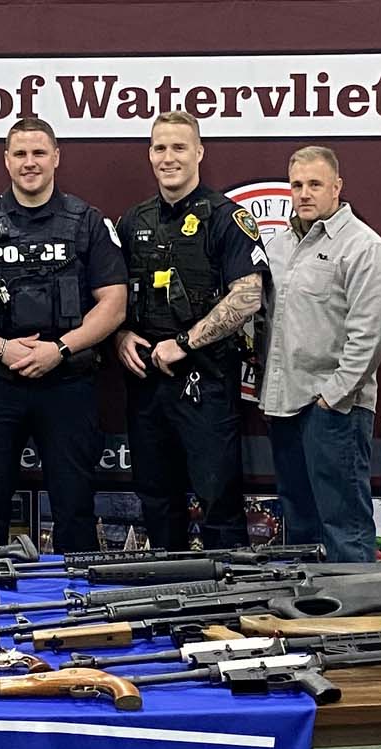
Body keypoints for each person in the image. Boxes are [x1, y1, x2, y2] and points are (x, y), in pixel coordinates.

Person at [0, 117, 128, 552]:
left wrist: (59, 349)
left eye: (39, 153)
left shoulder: (87, 222)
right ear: (6, 160)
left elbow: (114, 302)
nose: (30, 163)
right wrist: (1, 349)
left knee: (75, 507)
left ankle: (81, 610)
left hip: (68, 381)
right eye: (20, 154)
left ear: (56, 157)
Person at [114, 111, 268, 550]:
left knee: (218, 503)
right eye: (160, 148)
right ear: (149, 155)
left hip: (207, 383)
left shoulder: (226, 217)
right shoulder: (132, 221)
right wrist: (120, 335)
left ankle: (226, 608)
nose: (169, 157)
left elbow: (248, 296)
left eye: (179, 147)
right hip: (146, 385)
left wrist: (184, 343)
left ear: (199, 152)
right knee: (156, 500)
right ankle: (165, 600)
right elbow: (109, 297)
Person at [260, 145, 381, 563]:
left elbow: (372, 335)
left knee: (345, 526)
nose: (304, 193)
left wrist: (331, 398)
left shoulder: (366, 248)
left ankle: (360, 623)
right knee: (299, 523)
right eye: (297, 185)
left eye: (315, 184)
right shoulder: (279, 246)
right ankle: (309, 616)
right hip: (282, 406)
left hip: (334, 410)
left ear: (337, 187)